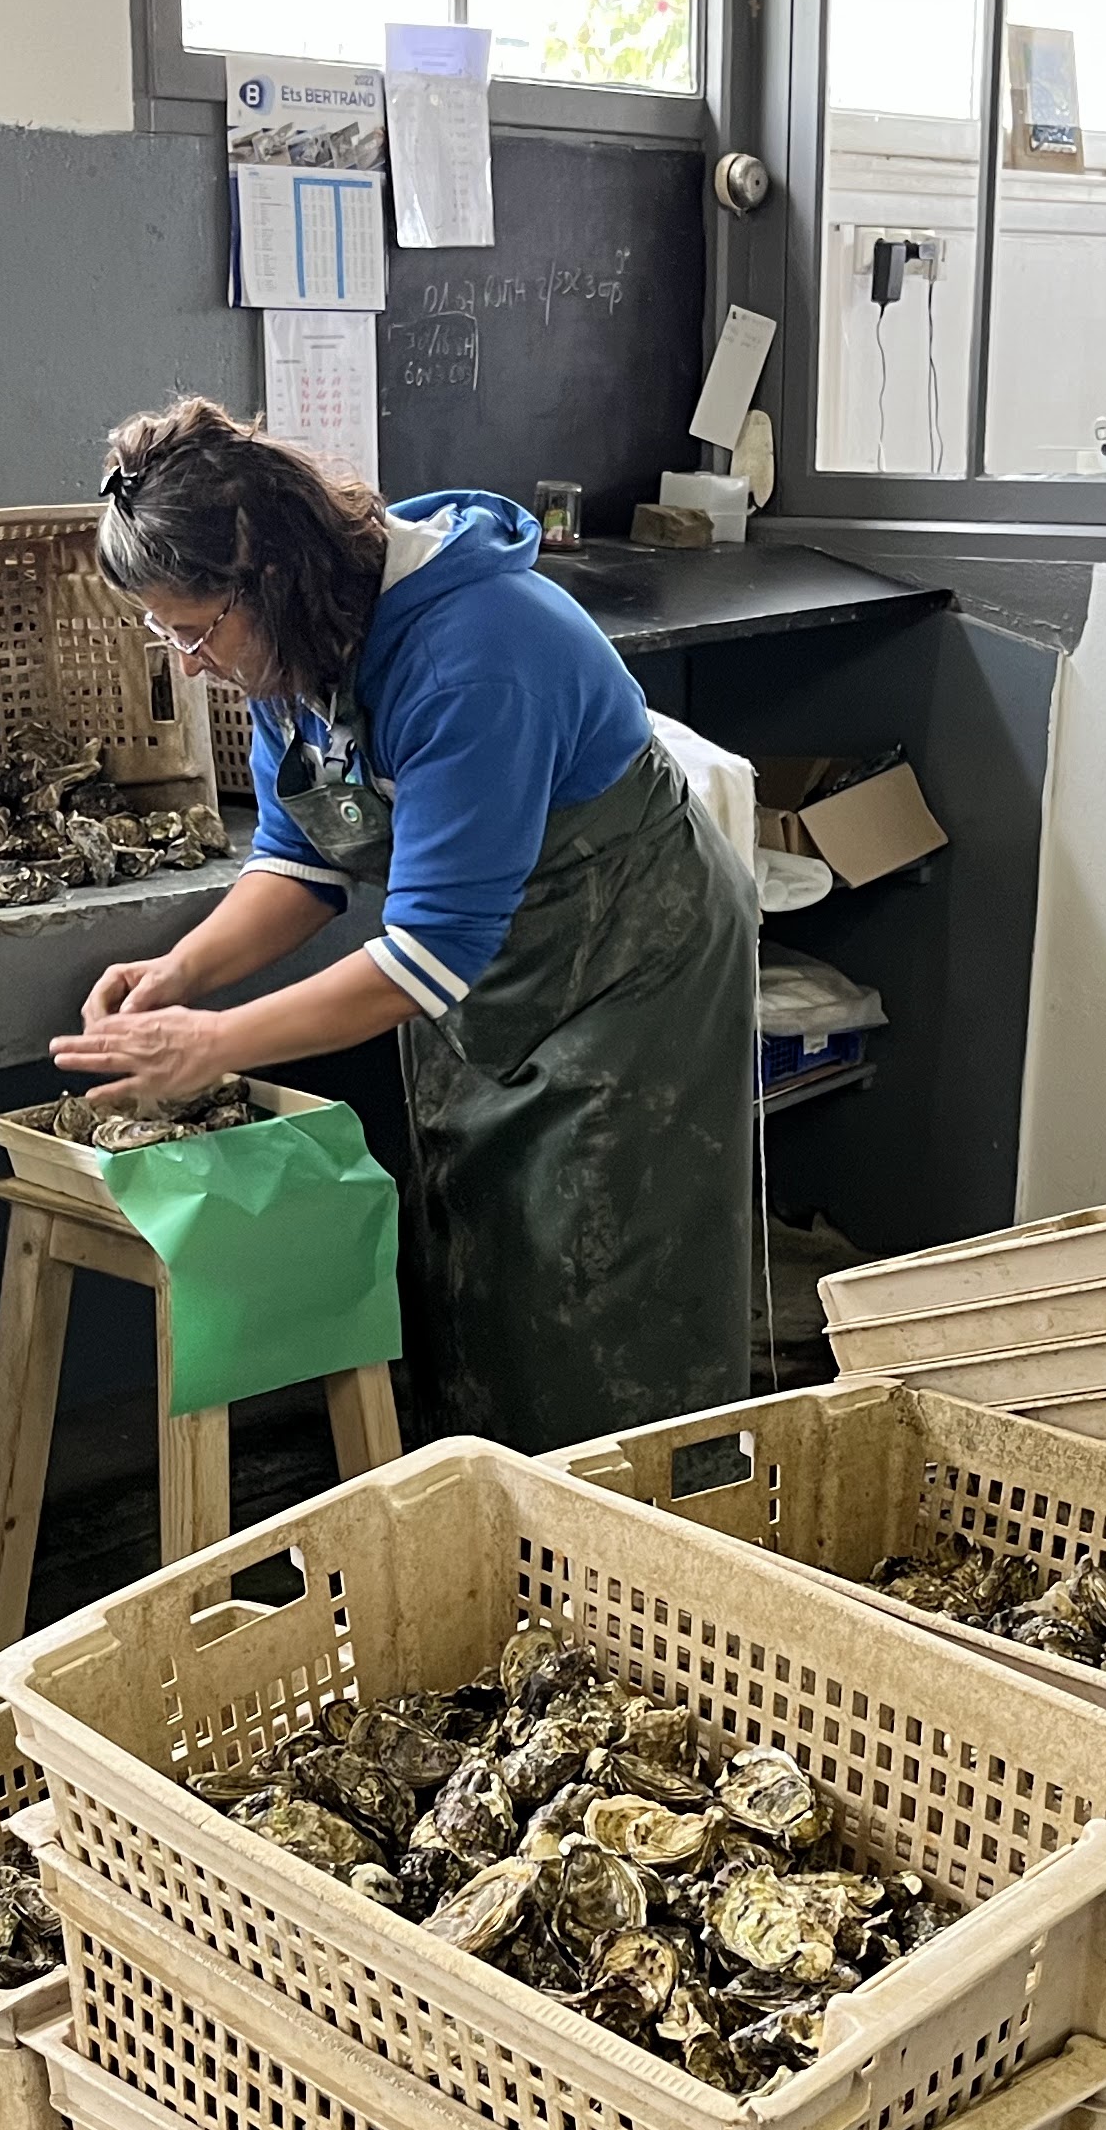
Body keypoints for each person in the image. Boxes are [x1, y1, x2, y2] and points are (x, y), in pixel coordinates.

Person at [60, 404, 753, 1450]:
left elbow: (424, 958)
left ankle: (641, 1537)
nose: (189, 662)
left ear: (272, 576)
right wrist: (182, 973)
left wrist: (213, 1044)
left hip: (630, 970)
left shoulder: (474, 654)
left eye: (195, 630)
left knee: (605, 1289)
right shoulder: (293, 647)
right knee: (481, 1272)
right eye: (167, 633)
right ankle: (494, 1526)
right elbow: (300, 861)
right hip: (481, 979)